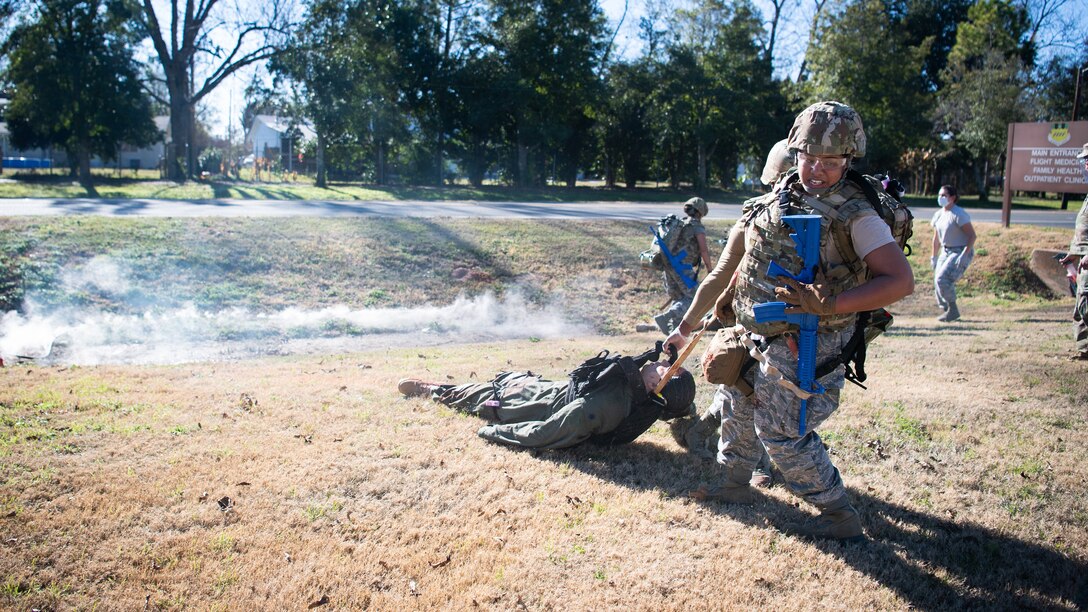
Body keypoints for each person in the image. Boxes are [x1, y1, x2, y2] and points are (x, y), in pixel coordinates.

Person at [682, 101, 915, 542]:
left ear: (848, 160)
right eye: (809, 159)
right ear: (796, 153)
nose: (817, 170)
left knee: (783, 431)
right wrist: (688, 326)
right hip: (756, 333)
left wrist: (831, 304)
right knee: (737, 403)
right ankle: (734, 484)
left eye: (830, 162)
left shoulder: (856, 215)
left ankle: (837, 513)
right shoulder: (776, 197)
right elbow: (725, 271)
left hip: (812, 342)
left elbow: (900, 281)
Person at [396, 347, 697, 450]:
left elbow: (546, 433)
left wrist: (492, 432)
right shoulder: (645, 395)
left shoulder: (605, 407)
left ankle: (432, 390)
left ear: (656, 384)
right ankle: (449, 387)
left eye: (666, 371)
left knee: (476, 395)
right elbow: (682, 406)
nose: (664, 364)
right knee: (504, 380)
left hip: (519, 402)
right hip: (542, 388)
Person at [654, 197, 714, 334]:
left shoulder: (680, 224)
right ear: (701, 211)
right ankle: (667, 317)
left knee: (680, 297)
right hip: (682, 268)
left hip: (668, 265)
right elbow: (703, 250)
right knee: (694, 298)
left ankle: (674, 330)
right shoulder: (696, 226)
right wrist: (710, 269)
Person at [1059, 142, 1088, 360]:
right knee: (1080, 307)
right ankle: (1085, 350)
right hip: (1083, 260)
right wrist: (1074, 253)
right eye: (1084, 161)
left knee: (1086, 304)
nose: (1085, 165)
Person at [930, 184, 976, 322]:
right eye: (939, 195)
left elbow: (972, 236)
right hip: (945, 251)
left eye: (944, 195)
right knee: (937, 282)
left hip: (960, 250)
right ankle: (947, 310)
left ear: (953, 197)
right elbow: (936, 238)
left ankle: (953, 310)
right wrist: (933, 256)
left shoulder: (959, 214)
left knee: (942, 279)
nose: (941, 198)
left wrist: (964, 254)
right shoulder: (939, 215)